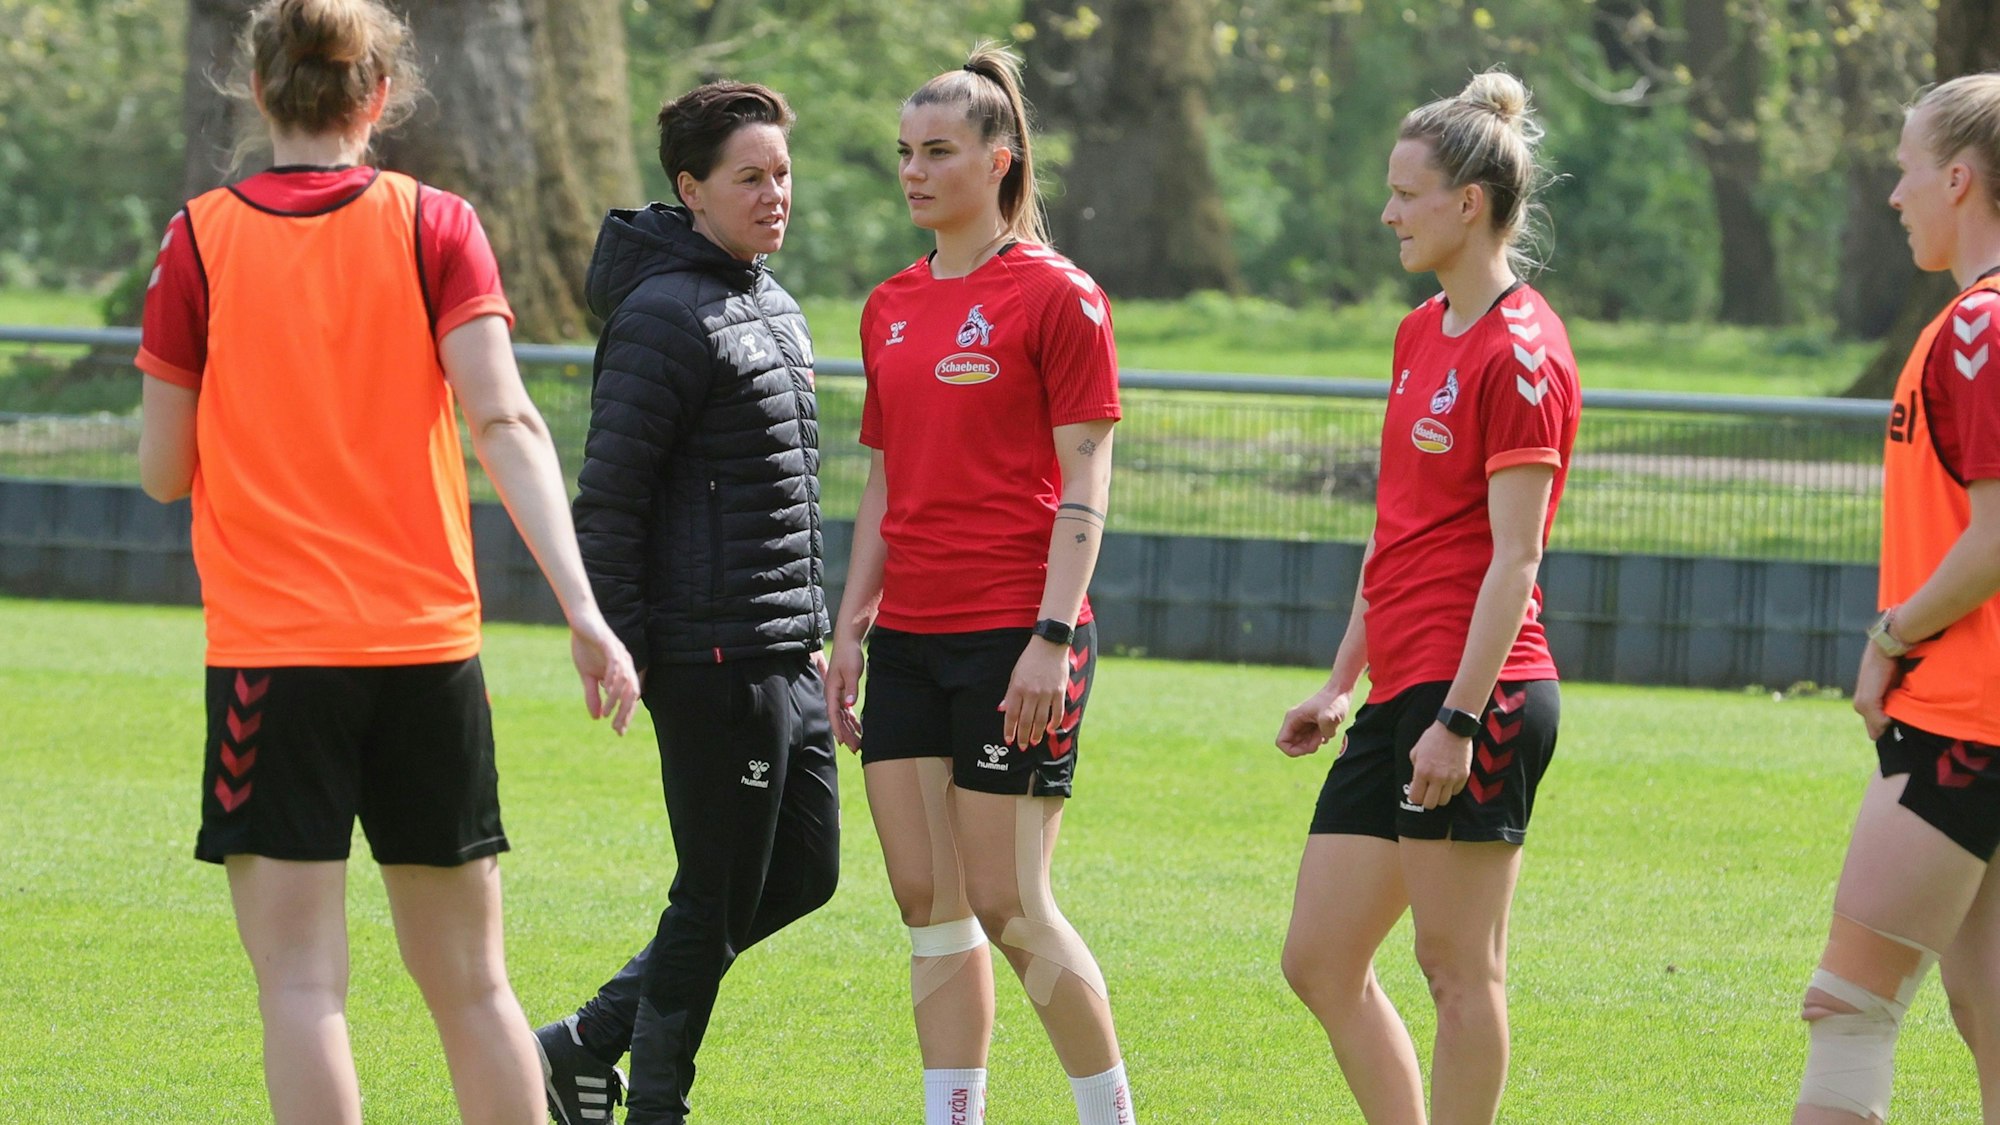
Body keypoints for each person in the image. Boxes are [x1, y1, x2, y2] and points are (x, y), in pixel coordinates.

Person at [133, 1, 640, 1122]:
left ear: (259, 90)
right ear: (379, 96)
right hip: (426, 652)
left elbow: (163, 472)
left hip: (276, 656)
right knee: (473, 987)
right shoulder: (437, 224)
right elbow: (506, 423)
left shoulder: (199, 238)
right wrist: (583, 611)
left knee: (304, 990)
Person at [823, 43, 1136, 1125]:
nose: (913, 171)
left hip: (1018, 637)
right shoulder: (889, 306)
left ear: (999, 160)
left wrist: (1051, 635)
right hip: (908, 636)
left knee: (1007, 903)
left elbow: (1087, 467)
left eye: (938, 151)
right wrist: (848, 627)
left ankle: (1109, 1116)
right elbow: (882, 477)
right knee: (927, 903)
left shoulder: (1058, 297)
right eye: (903, 152)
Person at [1272, 70, 1577, 1125]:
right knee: (1316, 958)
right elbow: (1395, 531)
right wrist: (1341, 682)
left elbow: (1514, 559)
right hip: (1401, 691)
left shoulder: (1522, 354)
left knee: (1456, 970)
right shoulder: (1417, 334)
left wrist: (1455, 716)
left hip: (1475, 698)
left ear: (1469, 204)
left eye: (1405, 193)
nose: (1387, 213)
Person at [533, 81, 839, 1125]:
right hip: (710, 659)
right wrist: (619, 644)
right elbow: (608, 498)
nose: (774, 195)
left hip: (784, 650)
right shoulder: (662, 314)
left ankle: (584, 1040)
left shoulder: (769, 300)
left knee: (802, 876)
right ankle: (649, 1100)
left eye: (782, 175)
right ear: (690, 189)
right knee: (710, 895)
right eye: (750, 177)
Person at [1793, 71, 2000, 1125]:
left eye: (1905, 167)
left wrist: (1888, 636)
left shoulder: (1978, 326)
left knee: (1848, 1005)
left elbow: (1995, 536)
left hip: (1963, 719)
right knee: (1987, 1013)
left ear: (1957, 179)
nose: (1892, 193)